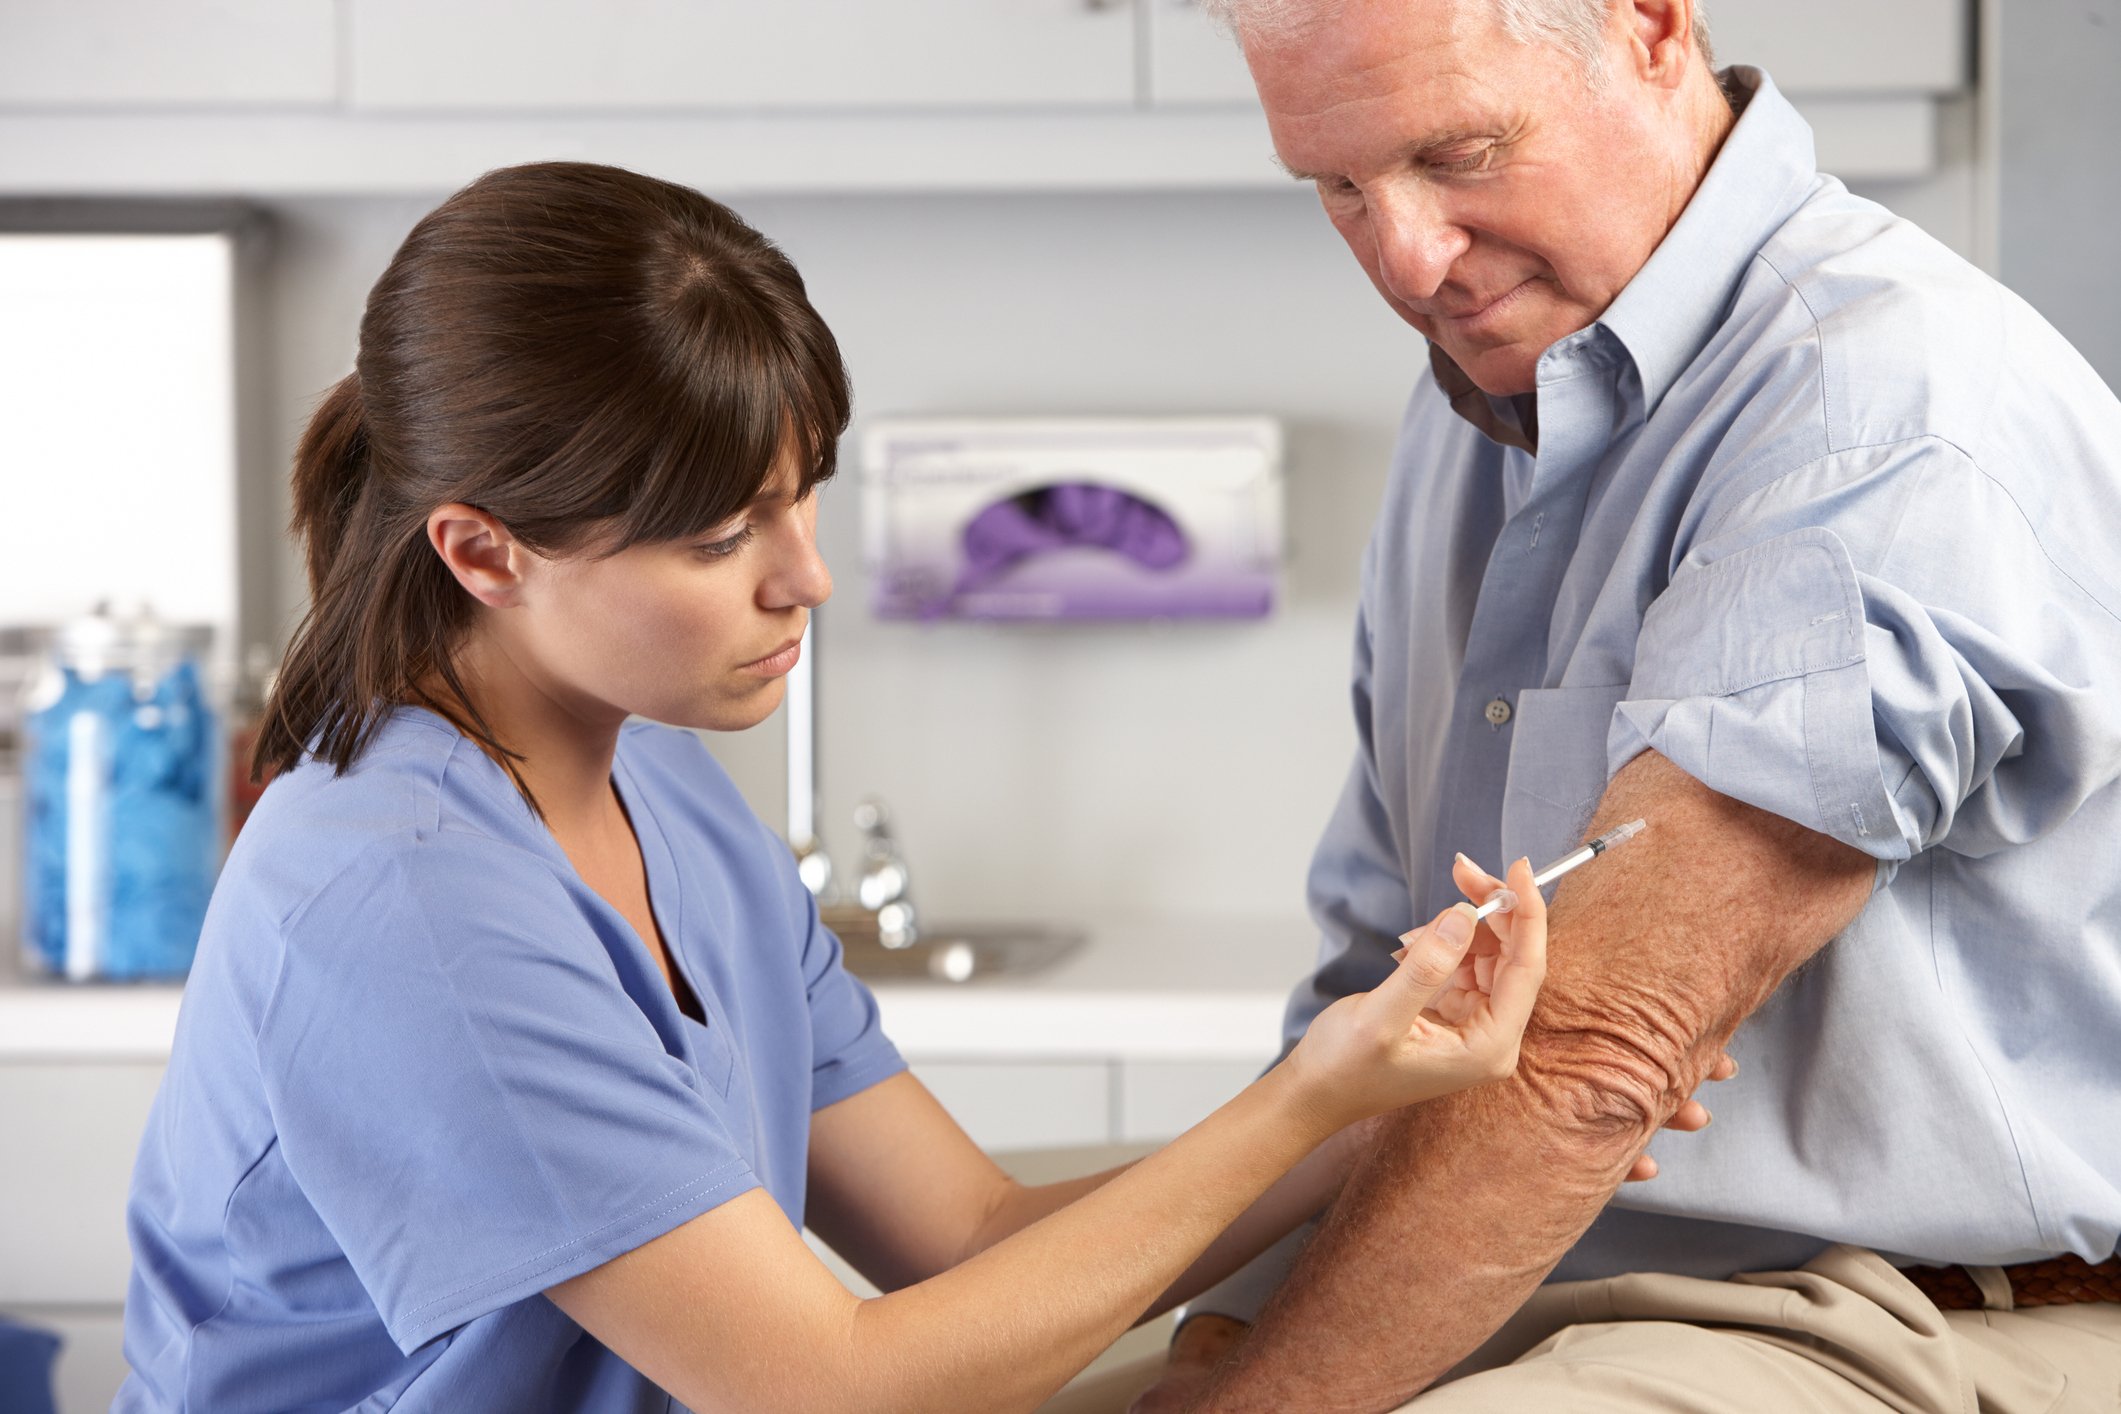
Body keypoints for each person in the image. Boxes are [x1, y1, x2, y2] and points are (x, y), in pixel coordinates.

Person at [113, 160, 1725, 1414]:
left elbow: (962, 1244)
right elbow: (834, 1381)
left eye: (800, 498)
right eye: (717, 534)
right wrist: (1314, 1095)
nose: (803, 577)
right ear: (481, 549)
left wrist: (1389, 1094)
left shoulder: (659, 794)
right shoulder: (408, 899)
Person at [1107, 0, 2121, 1410]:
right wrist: (1237, 1322)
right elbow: (1377, 1003)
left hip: (1906, 1318)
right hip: (1553, 1299)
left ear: (1649, 24)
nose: (1405, 257)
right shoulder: (1477, 408)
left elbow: (1596, 1046)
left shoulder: (1874, 406)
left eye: (1457, 154)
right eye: (1337, 187)